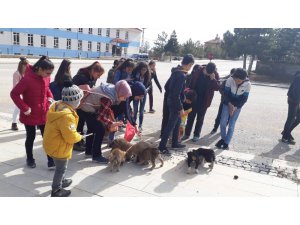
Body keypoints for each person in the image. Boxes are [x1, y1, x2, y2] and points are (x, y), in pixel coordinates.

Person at [10, 56, 55, 168]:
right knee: (31, 137)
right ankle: (30, 158)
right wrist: (24, 108)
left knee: (47, 137)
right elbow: (14, 94)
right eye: (47, 73)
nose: (49, 76)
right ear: (39, 69)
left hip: (43, 113)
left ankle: (50, 160)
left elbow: (47, 89)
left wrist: (49, 98)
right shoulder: (27, 79)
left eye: (50, 73)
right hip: (30, 114)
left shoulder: (46, 78)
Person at [43, 81, 83, 197]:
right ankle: (56, 190)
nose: (80, 102)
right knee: (61, 168)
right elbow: (70, 137)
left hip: (51, 143)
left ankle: (62, 180)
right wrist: (79, 136)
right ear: (74, 100)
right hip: (59, 147)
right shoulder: (67, 116)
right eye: (79, 100)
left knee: (59, 166)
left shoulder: (58, 105)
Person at [79, 80, 132, 163]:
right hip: (86, 109)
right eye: (124, 97)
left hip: (85, 107)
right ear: (120, 93)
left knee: (92, 129)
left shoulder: (112, 88)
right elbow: (100, 116)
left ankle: (89, 151)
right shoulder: (108, 98)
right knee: (100, 130)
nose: (124, 100)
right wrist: (112, 123)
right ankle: (97, 156)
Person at [158, 54, 195, 155]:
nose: (190, 68)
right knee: (170, 125)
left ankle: (175, 143)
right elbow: (176, 94)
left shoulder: (176, 71)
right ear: (189, 64)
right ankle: (162, 146)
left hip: (172, 101)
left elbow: (166, 86)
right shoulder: (181, 75)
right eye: (191, 65)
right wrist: (180, 108)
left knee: (177, 123)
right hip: (175, 103)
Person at [182, 62, 220, 142]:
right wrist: (188, 95)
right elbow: (191, 83)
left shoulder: (215, 74)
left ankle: (196, 135)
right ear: (205, 68)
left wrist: (213, 80)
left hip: (205, 101)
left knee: (200, 119)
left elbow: (217, 88)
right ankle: (187, 134)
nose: (207, 74)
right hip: (194, 99)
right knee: (190, 118)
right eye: (207, 72)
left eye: (210, 73)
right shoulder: (199, 70)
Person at [215, 68, 251, 150]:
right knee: (223, 122)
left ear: (244, 79)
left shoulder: (248, 85)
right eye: (235, 79)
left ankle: (226, 142)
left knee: (231, 124)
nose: (236, 81)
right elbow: (225, 94)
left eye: (238, 81)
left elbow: (244, 99)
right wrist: (229, 104)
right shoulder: (230, 80)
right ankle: (223, 139)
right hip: (227, 103)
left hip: (237, 106)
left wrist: (235, 107)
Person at [72, 61, 105, 151]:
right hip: (77, 103)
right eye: (98, 75)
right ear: (93, 71)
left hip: (83, 103)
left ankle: (80, 140)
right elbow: (76, 91)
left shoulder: (89, 77)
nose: (98, 77)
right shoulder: (82, 77)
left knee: (81, 123)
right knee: (79, 123)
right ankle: (76, 143)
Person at [210, 68, 236, 134]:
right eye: (232, 74)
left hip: (233, 103)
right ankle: (215, 128)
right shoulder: (226, 81)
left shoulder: (237, 83)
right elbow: (220, 89)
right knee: (219, 116)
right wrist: (226, 96)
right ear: (230, 74)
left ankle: (222, 129)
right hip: (224, 102)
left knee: (229, 117)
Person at [281, 71, 300, 144]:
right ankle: (285, 137)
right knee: (291, 118)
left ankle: (286, 132)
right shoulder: (299, 77)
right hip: (294, 100)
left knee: (298, 118)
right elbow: (296, 91)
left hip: (297, 100)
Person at [131, 61, 151, 130]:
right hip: (136, 94)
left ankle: (140, 125)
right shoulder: (136, 74)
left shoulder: (147, 75)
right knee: (135, 110)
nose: (144, 71)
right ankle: (134, 125)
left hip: (143, 94)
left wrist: (146, 90)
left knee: (141, 111)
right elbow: (132, 84)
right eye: (142, 70)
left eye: (145, 70)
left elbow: (149, 85)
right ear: (139, 69)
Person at [11, 57, 29, 131]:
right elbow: (15, 86)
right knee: (17, 108)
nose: (26, 67)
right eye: (25, 66)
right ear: (21, 66)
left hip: (25, 94)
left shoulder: (26, 74)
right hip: (18, 94)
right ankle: (14, 123)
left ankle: (33, 123)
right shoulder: (16, 73)